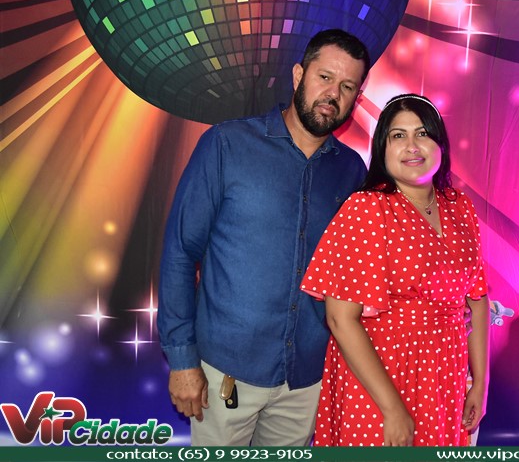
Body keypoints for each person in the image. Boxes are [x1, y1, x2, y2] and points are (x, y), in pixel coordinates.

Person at [157, 29, 370, 446]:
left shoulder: (351, 172)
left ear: (356, 98)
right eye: (325, 77)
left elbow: (356, 276)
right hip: (226, 372)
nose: (333, 94)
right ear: (298, 75)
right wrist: (182, 359)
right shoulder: (227, 145)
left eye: (347, 86)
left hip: (306, 380)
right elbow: (180, 253)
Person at [301, 93, 490, 446]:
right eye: (398, 135)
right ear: (383, 149)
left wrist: (480, 382)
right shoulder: (367, 208)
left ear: (440, 144)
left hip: (444, 377)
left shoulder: (460, 207)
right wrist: (392, 409)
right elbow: (340, 319)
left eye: (422, 133)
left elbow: (477, 298)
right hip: (380, 378)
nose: (412, 146)